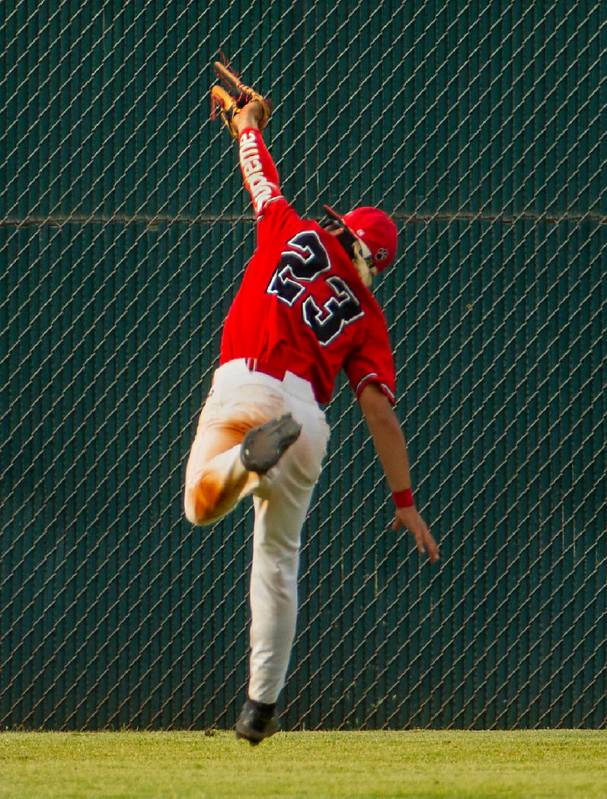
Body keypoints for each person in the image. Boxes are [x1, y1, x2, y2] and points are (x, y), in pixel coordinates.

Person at [184, 99, 439, 745]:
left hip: (246, 380)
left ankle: (242, 461)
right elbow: (378, 410)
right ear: (374, 264)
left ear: (342, 230)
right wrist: (403, 500)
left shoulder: (293, 230)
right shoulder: (368, 316)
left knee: (199, 506)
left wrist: (247, 127)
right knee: (277, 560)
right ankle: (258, 707)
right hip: (306, 416)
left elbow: (260, 179)